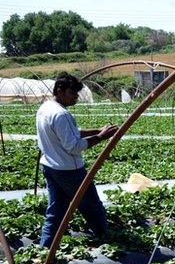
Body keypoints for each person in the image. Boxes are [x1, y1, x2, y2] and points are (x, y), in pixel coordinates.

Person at [37, 72, 118, 247]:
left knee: (56, 210)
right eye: (72, 93)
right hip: (69, 171)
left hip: (51, 167)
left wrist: (97, 130)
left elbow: (70, 134)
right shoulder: (62, 115)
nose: (76, 97)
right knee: (92, 206)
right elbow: (74, 146)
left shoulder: (45, 109)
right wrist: (102, 137)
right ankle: (107, 240)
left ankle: (46, 247)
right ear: (60, 91)